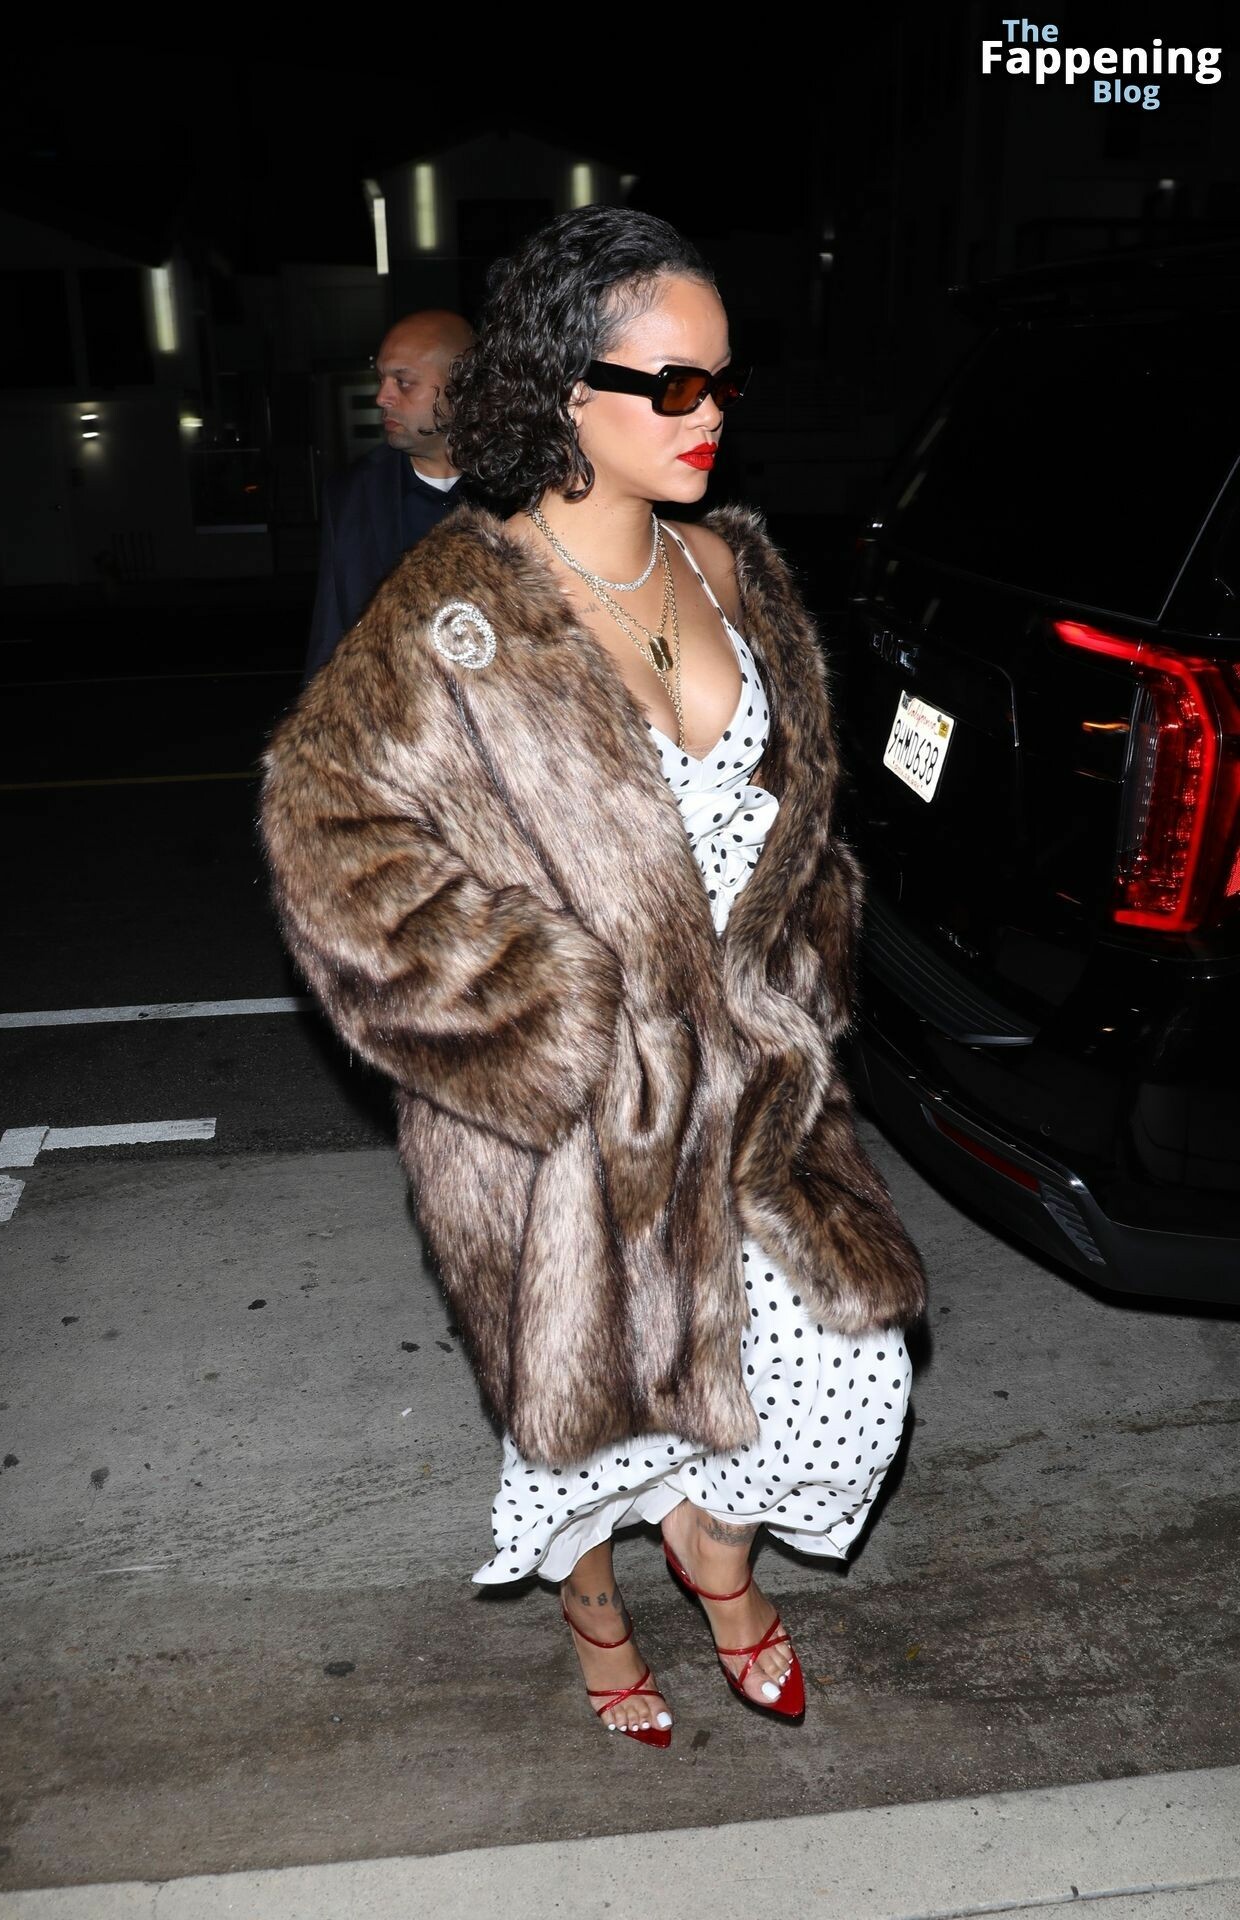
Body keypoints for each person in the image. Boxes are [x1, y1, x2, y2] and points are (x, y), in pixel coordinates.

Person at [261, 205, 927, 1748]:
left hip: (753, 1080)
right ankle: (595, 1609)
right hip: (579, 1123)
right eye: (673, 384)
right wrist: (544, 1022)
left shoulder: (729, 567)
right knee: (593, 1414)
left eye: (724, 381)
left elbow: (787, 814)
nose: (711, 414)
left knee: (853, 1377)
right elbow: (323, 830)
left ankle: (716, 1557)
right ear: (567, 391)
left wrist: (798, 965)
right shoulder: (462, 613)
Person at [302, 308, 475, 684]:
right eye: (381, 379)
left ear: (461, 385)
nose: (382, 397)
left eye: (404, 382)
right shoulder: (350, 495)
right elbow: (329, 640)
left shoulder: (524, 489)